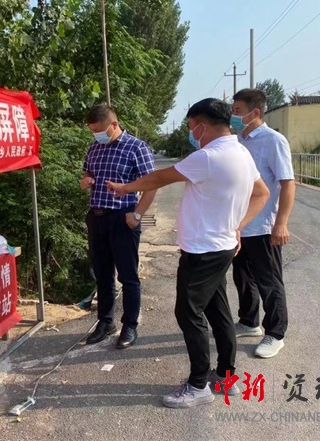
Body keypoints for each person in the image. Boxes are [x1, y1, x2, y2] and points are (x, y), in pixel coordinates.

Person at [107, 98, 270, 408]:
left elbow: (160, 177)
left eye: (191, 127)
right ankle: (226, 377)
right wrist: (238, 227)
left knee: (188, 313)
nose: (191, 133)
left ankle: (198, 385)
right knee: (218, 311)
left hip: (202, 250)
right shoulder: (240, 152)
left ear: (202, 126)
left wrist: (125, 188)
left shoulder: (207, 157)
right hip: (222, 246)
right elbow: (262, 193)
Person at [80, 104, 156, 349]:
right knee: (102, 274)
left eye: (99, 130)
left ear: (114, 124)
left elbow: (151, 184)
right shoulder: (94, 148)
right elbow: (87, 172)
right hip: (97, 217)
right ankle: (105, 322)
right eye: (92, 131)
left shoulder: (136, 147)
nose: (96, 135)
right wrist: (86, 180)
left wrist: (137, 214)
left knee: (128, 276)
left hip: (123, 218)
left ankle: (130, 325)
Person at [230, 89, 295, 358]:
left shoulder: (273, 141)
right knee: (242, 277)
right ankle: (249, 321)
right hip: (240, 224)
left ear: (255, 112)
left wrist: (281, 223)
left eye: (237, 111)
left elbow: (287, 184)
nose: (233, 116)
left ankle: (276, 333)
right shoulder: (237, 141)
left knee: (269, 281)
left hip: (263, 225)